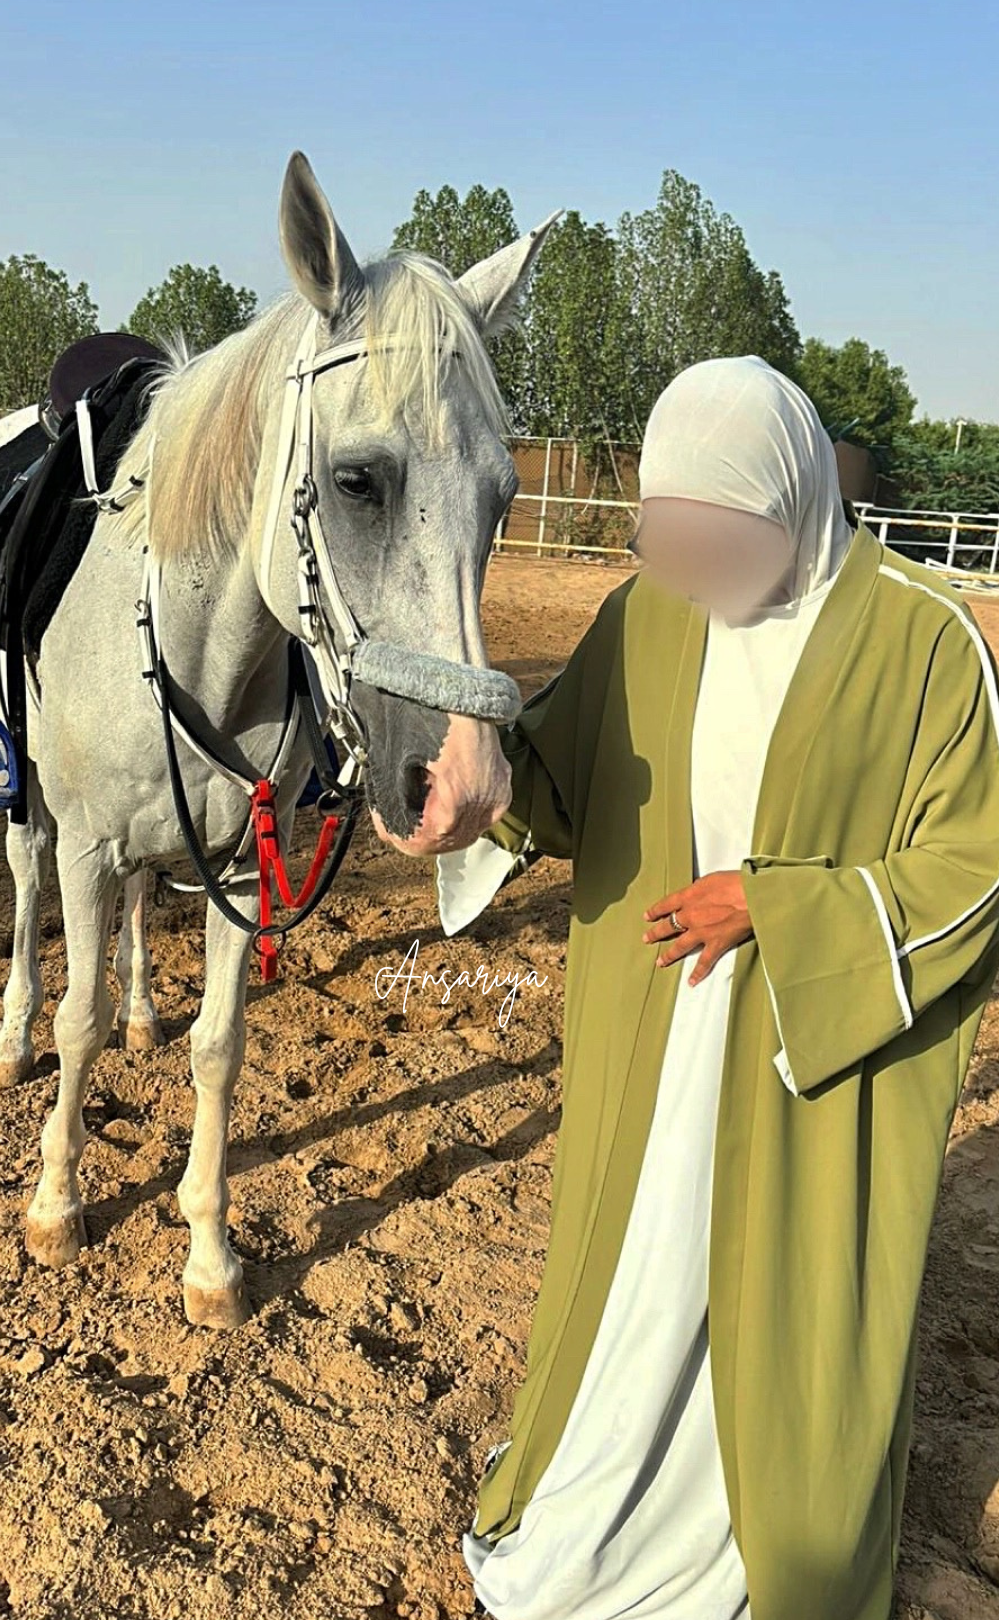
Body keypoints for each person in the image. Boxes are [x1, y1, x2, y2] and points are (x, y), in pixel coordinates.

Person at [435, 355, 999, 1620]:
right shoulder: (648, 614)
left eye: (715, 541)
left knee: (782, 1307)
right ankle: (599, 1508)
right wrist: (480, 790)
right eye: (666, 540)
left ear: (793, 500)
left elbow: (976, 873)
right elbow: (564, 776)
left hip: (807, 1057)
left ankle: (771, 1547)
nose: (689, 572)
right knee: (637, 1278)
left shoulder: (926, 644)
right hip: (656, 1039)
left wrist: (779, 907)